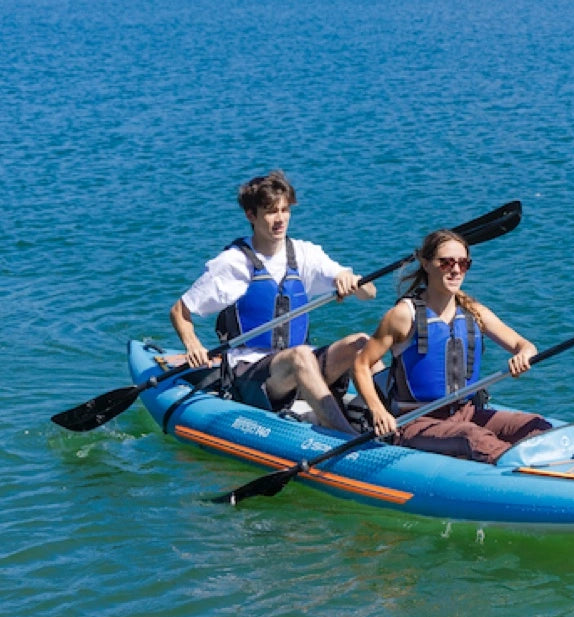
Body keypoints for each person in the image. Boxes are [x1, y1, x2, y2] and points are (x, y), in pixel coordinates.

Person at [170, 170, 375, 432]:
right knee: (301, 355)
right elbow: (179, 311)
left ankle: (389, 418)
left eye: (284, 210)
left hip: (299, 369)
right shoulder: (233, 264)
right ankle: (346, 436)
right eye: (271, 212)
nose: (280, 219)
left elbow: (370, 293)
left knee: (362, 343)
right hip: (250, 374)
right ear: (251, 215)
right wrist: (193, 344)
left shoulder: (304, 254)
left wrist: (351, 280)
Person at [352, 228, 551, 463]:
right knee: (471, 437)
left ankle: (557, 468)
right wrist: (378, 410)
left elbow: (523, 344)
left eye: (463, 263)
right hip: (415, 422)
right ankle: (523, 474)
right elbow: (361, 364)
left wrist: (524, 354)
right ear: (426, 264)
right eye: (446, 263)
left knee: (537, 425)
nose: (456, 270)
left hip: (466, 413)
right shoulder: (404, 316)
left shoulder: (472, 311)